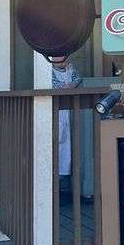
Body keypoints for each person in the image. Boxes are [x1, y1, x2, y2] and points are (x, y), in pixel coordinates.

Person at [51, 55, 82, 194]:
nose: (64, 60)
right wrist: (67, 88)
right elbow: (56, 86)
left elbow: (77, 79)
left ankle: (63, 186)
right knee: (58, 148)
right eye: (60, 58)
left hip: (70, 112)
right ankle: (53, 188)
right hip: (57, 112)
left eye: (65, 58)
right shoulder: (48, 71)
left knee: (68, 150)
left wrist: (71, 86)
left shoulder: (71, 69)